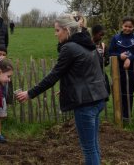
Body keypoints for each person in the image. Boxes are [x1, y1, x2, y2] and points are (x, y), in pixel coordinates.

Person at [17, 14, 108, 165]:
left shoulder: (69, 48)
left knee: (88, 149)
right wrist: (68, 89)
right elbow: (86, 72)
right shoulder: (87, 43)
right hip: (98, 99)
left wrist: (30, 93)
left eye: (57, 30)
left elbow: (54, 76)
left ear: (66, 30)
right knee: (93, 145)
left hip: (85, 103)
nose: (55, 34)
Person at [108, 16, 134, 121]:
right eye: (125, 26)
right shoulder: (115, 38)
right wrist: (120, 56)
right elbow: (110, 53)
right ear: (121, 26)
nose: (127, 28)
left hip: (132, 71)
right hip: (118, 70)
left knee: (129, 93)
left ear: (133, 27)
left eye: (130, 27)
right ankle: (118, 114)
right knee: (118, 92)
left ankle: (127, 115)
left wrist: (130, 59)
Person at [92, 24, 110, 97]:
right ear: (94, 34)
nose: (102, 37)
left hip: (101, 72)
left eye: (103, 35)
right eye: (100, 34)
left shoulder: (103, 46)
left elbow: (107, 58)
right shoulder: (88, 44)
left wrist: (104, 61)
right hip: (91, 73)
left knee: (106, 90)